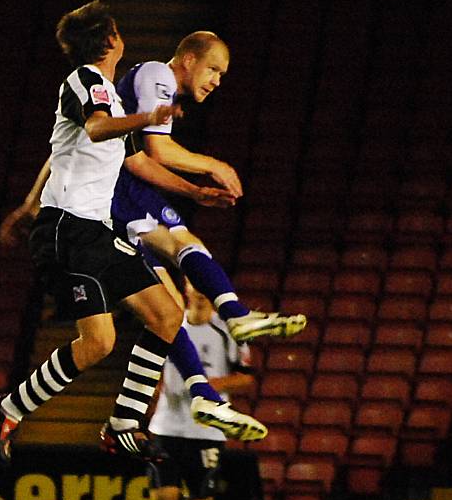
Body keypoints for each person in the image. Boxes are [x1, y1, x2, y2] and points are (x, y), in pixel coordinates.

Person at [0, 0, 266, 468]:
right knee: (118, 334)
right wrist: (147, 118)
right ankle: (25, 410)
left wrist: (195, 193)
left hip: (92, 231)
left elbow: (129, 160)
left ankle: (109, 422)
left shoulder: (111, 99)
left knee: (155, 320)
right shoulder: (85, 82)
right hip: (69, 232)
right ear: (111, 39)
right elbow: (95, 130)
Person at [112, 31, 307, 345]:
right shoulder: (158, 74)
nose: (217, 81)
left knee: (171, 313)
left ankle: (202, 386)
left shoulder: (161, 89)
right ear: (189, 60)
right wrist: (214, 165)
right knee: (178, 259)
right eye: (213, 69)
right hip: (119, 188)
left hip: (126, 187)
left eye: (221, 74)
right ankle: (234, 314)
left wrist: (194, 191)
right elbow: (157, 151)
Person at [148, 277, 257, 500]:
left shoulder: (229, 331)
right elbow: (154, 360)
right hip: (167, 426)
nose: (200, 291)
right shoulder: (170, 324)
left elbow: (246, 376)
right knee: (165, 497)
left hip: (206, 430)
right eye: (194, 284)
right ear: (186, 288)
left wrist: (211, 384)